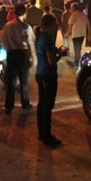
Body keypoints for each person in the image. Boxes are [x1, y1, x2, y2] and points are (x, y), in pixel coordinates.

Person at [34, 14, 68, 147]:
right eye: (55, 25)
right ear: (50, 26)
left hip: (40, 73)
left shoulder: (40, 36)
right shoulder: (47, 39)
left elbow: (47, 54)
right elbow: (51, 61)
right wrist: (61, 54)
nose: (56, 27)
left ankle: (42, 133)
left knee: (42, 104)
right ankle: (46, 135)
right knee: (47, 106)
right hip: (48, 75)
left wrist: (57, 50)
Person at [0, 3, 35, 114]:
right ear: (25, 13)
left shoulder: (7, 26)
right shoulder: (26, 27)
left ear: (14, 13)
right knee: (24, 81)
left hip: (11, 54)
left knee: (11, 81)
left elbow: (3, 41)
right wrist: (33, 57)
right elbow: (30, 43)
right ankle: (25, 103)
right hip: (23, 55)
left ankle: (9, 106)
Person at [68, 2, 91, 68]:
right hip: (82, 34)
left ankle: (77, 62)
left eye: (71, 8)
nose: (71, 9)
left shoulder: (74, 15)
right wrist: (89, 34)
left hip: (76, 34)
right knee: (78, 47)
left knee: (77, 48)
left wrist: (67, 33)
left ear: (73, 8)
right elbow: (88, 24)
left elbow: (70, 24)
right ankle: (77, 60)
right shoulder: (83, 15)